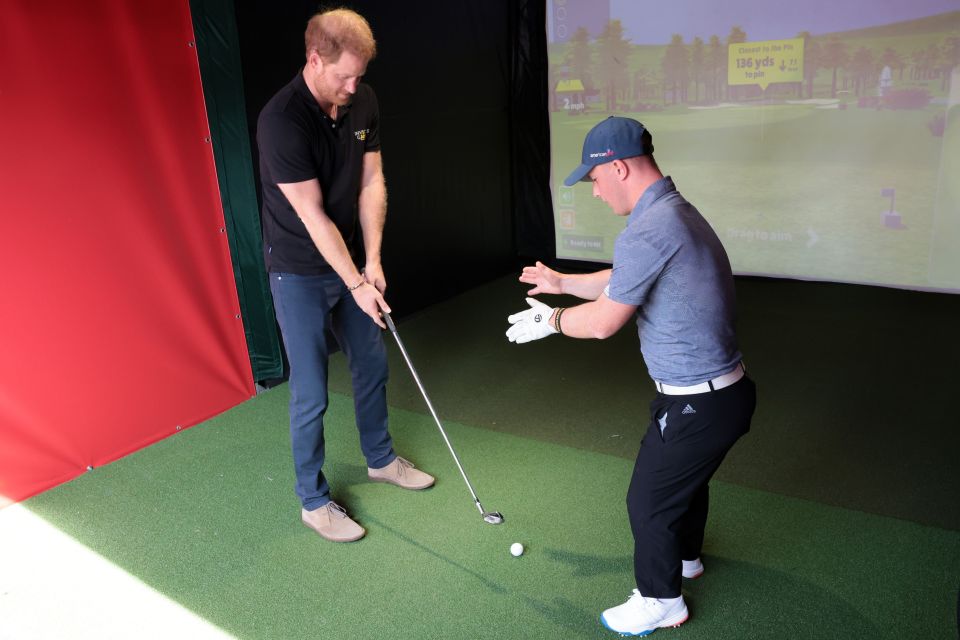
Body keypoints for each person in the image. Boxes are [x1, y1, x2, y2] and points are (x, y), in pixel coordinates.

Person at [506, 116, 756, 635]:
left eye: (594, 180)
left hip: (699, 402)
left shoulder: (651, 227)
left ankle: (661, 599)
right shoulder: (673, 212)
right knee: (684, 483)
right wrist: (560, 281)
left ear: (617, 167)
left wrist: (548, 319)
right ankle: (685, 560)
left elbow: (603, 324)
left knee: (648, 500)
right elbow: (626, 278)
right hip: (722, 397)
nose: (595, 193)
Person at [256, 8, 433, 543]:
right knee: (311, 391)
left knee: (372, 366)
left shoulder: (363, 99)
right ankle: (313, 501)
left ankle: (379, 458)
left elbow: (372, 182)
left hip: (353, 261)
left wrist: (372, 262)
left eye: (360, 75)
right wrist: (355, 284)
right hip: (298, 271)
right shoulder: (281, 120)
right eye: (343, 77)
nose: (354, 87)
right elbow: (311, 214)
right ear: (314, 60)